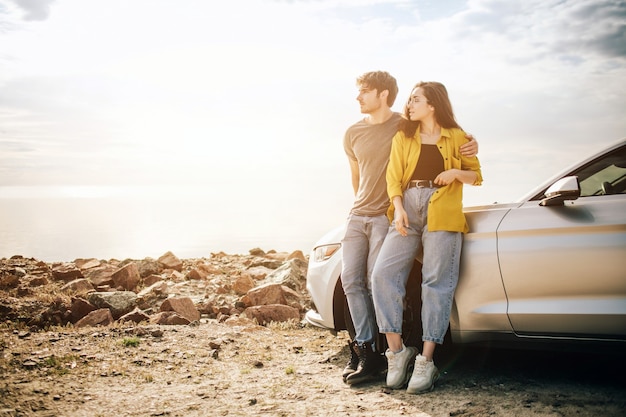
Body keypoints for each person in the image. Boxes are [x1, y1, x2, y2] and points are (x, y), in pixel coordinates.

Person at [341, 72, 478, 385]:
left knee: (421, 281)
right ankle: (381, 350)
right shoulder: (379, 133)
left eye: (363, 92)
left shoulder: (430, 130)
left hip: (419, 211)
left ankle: (420, 359)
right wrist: (389, 206)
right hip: (387, 211)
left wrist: (463, 159)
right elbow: (374, 176)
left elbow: (470, 164)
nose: (410, 103)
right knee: (366, 278)